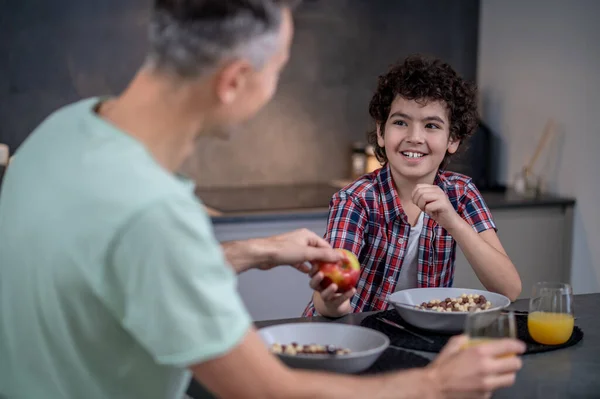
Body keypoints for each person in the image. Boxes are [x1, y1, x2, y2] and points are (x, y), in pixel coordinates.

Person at [0, 1, 525, 398]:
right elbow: (268, 390)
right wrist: (434, 384)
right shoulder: (155, 213)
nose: (276, 87)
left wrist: (254, 251)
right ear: (234, 81)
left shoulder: (61, 130)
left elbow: (118, 266)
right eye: (278, 68)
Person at [304, 56, 522, 318]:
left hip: (418, 337)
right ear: (382, 133)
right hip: (349, 332)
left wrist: (453, 222)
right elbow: (326, 298)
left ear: (452, 139)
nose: (414, 137)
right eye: (400, 122)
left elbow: (509, 289)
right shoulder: (355, 200)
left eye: (431, 125)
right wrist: (334, 299)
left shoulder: (461, 193)